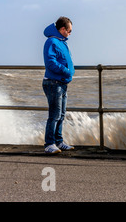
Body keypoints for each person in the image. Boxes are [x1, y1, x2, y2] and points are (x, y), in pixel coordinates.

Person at [42, 16, 75, 154]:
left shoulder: (62, 42)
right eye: (69, 31)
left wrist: (69, 73)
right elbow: (50, 62)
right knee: (54, 115)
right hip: (53, 82)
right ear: (62, 29)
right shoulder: (51, 41)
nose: (70, 33)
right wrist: (66, 71)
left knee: (61, 114)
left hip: (62, 82)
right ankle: (49, 144)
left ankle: (59, 141)